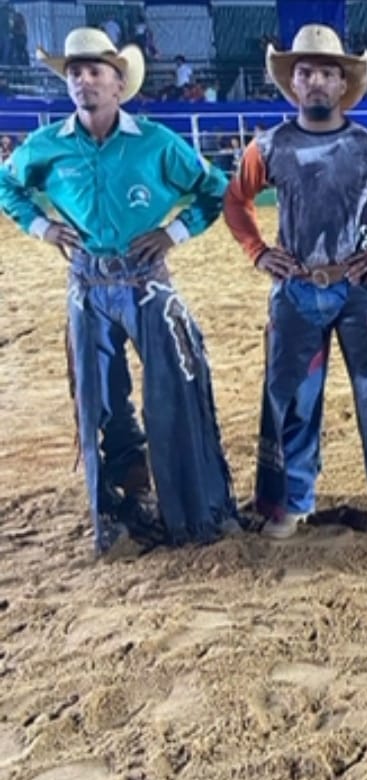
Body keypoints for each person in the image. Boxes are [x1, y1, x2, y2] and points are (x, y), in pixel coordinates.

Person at [0, 27, 238, 554]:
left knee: (171, 388)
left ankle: (194, 509)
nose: (83, 80)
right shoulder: (46, 146)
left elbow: (215, 190)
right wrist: (42, 226)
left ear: (117, 82)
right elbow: (6, 184)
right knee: (101, 396)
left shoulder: (155, 143)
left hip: (146, 281)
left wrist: (175, 231)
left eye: (94, 72)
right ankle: (122, 500)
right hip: (86, 282)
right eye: (75, 73)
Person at [223, 24, 367, 539]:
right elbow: (235, 202)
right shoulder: (267, 147)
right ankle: (290, 503)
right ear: (292, 83)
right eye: (305, 72)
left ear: (343, 84)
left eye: (325, 72)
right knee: (290, 395)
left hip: (357, 287)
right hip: (294, 288)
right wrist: (258, 251)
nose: (315, 81)